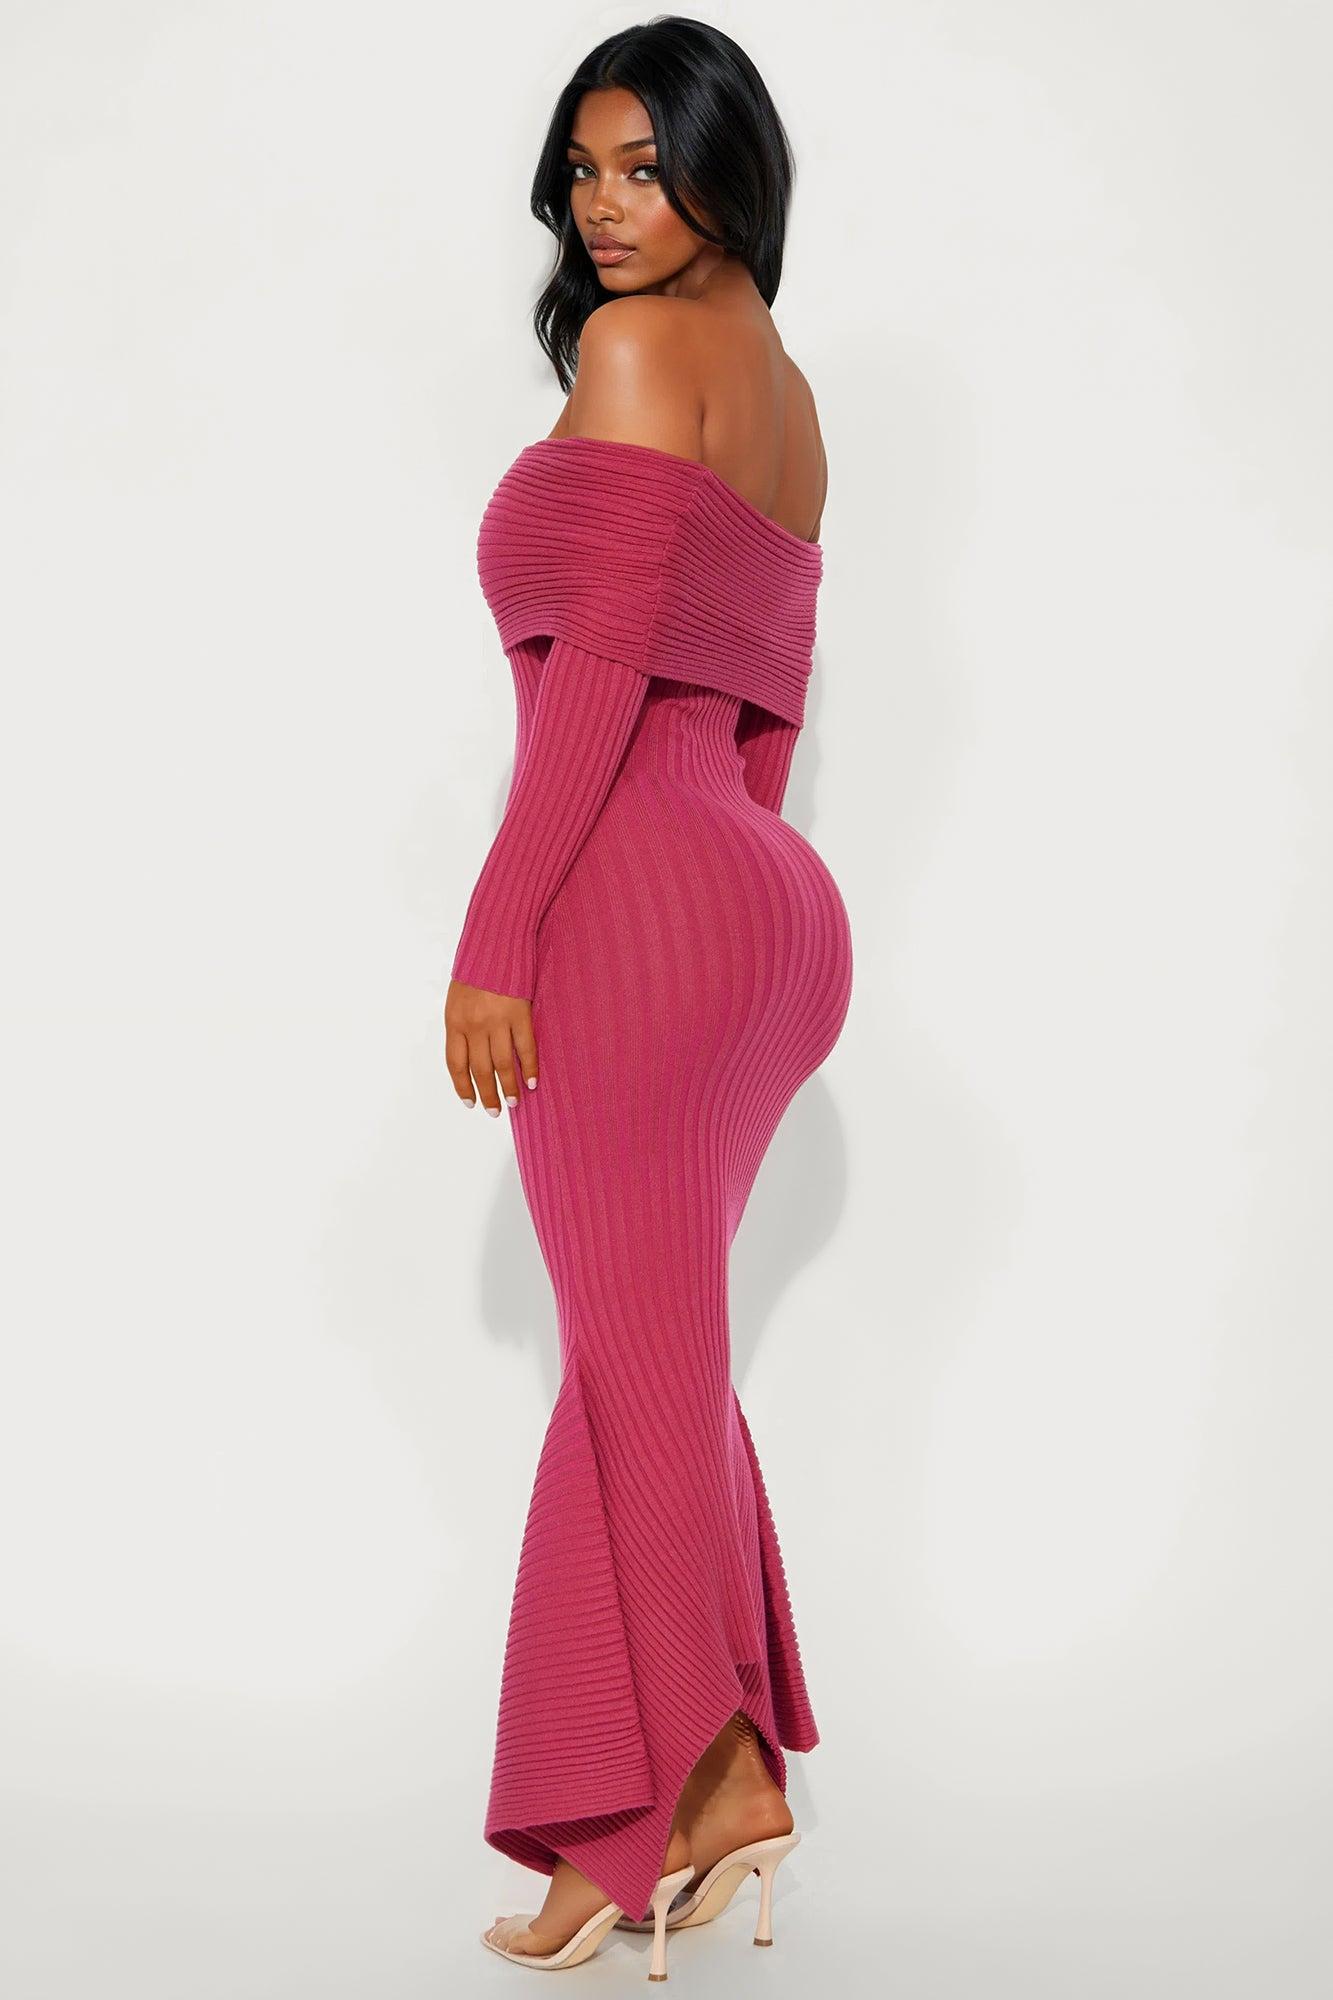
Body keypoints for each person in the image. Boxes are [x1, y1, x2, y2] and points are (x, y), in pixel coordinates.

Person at [444, 18, 854, 1977]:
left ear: (724, 168)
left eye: (642, 165)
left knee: (627, 1362)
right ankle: (716, 1782)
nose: (603, 207)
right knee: (659, 1350)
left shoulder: (631, 354)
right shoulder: (789, 396)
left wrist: (499, 934)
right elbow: (769, 701)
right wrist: (729, 899)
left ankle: (656, 1804)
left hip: (635, 899)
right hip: (768, 908)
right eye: (583, 169)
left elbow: (600, 678)